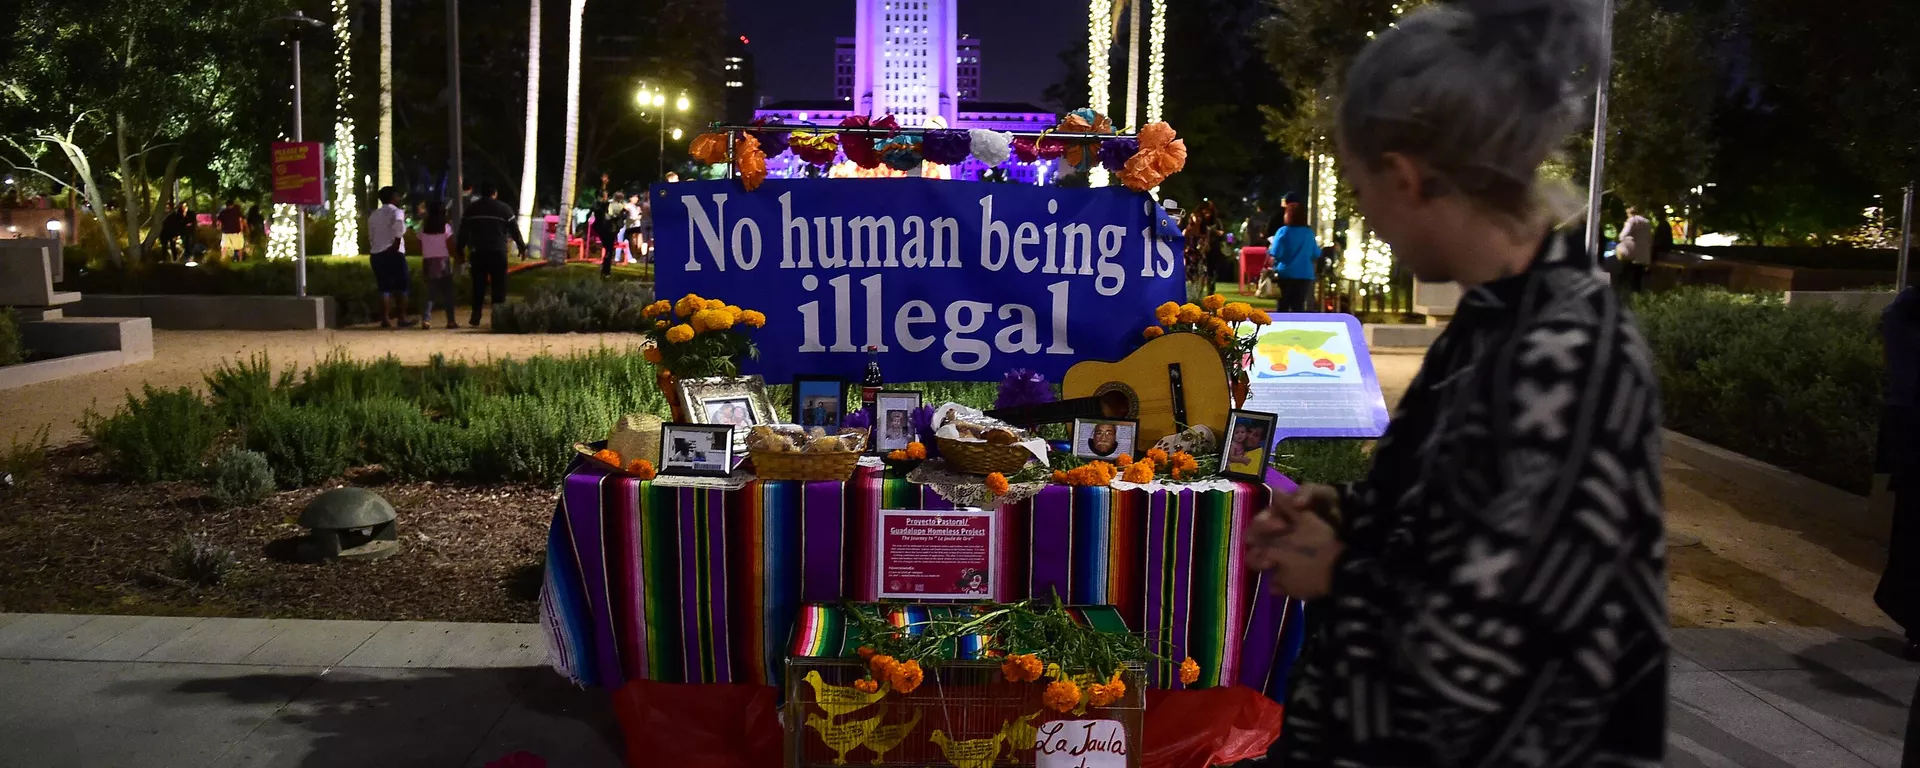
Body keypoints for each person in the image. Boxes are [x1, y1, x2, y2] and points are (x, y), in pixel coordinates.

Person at [1242, 1, 1667, 765]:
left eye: (1362, 187)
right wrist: (1345, 517)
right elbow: (1458, 521)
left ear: (1405, 177)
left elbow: (1509, 648)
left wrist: (1336, 571)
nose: (1368, 215)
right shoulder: (1504, 317)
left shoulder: (1563, 347)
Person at [456, 181, 527, 327]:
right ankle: (497, 316)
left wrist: (460, 250)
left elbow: (463, 232)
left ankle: (476, 315)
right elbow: (514, 230)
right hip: (497, 252)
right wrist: (521, 247)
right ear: (495, 194)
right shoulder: (504, 209)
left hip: (478, 252)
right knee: (499, 284)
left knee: (478, 284)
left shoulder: (471, 210)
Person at [367, 186, 412, 328]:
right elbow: (399, 224)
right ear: (393, 197)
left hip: (377, 254)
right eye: (397, 196)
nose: (399, 198)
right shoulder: (397, 212)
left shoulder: (374, 214)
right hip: (394, 252)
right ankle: (402, 318)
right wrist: (397, 242)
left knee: (384, 288)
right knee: (402, 286)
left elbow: (371, 235)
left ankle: (385, 319)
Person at [1268, 196, 1320, 313]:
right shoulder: (1308, 233)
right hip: (1305, 273)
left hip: (1285, 273)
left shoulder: (1283, 231)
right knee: (1299, 305)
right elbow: (1316, 253)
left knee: (1283, 305)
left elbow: (1276, 252)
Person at [416, 200, 457, 330]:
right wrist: (459, 257)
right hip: (442, 262)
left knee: (431, 292)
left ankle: (426, 319)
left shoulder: (424, 227)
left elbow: (419, 245)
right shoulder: (446, 227)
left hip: (428, 262)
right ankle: (450, 321)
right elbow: (450, 246)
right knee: (447, 293)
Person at [1615, 206, 1653, 295]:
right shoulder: (1647, 222)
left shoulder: (1632, 221)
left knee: (1626, 275)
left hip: (1631, 254)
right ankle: (1637, 296)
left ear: (1630, 213)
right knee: (1638, 278)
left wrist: (1621, 238)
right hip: (1643, 254)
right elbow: (1650, 239)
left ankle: (1623, 295)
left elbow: (1622, 236)